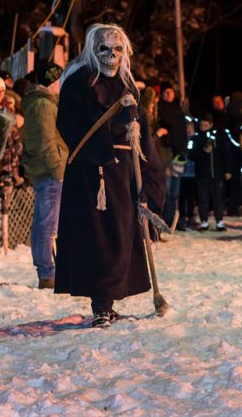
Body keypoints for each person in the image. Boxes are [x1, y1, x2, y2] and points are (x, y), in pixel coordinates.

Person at [55, 24, 164, 328]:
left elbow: (142, 135)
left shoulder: (128, 85)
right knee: (98, 238)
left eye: (118, 49)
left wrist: (152, 178)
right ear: (93, 50)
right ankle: (100, 302)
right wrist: (102, 144)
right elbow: (68, 124)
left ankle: (109, 298)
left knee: (121, 235)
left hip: (124, 173)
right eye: (105, 49)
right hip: (93, 175)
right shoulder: (79, 83)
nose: (112, 55)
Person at [22, 61, 68, 289]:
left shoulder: (44, 103)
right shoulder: (43, 105)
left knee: (47, 223)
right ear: (52, 80)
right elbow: (47, 141)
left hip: (47, 170)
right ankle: (47, 272)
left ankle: (48, 270)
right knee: (47, 224)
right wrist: (58, 169)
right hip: (50, 171)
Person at [188, 112, 233, 232]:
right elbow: (191, 155)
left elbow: (226, 154)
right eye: (202, 125)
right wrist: (203, 152)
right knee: (203, 198)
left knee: (218, 198)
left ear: (211, 125)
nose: (203, 127)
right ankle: (204, 222)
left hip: (217, 174)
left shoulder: (219, 137)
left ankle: (220, 221)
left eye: (206, 125)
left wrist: (228, 170)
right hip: (202, 175)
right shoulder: (196, 138)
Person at [157, 82, 188, 228]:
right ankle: (163, 220)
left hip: (179, 155)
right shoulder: (161, 109)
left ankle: (171, 220)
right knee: (167, 190)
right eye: (166, 92)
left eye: (170, 91)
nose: (168, 94)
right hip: (167, 154)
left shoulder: (179, 109)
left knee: (175, 191)